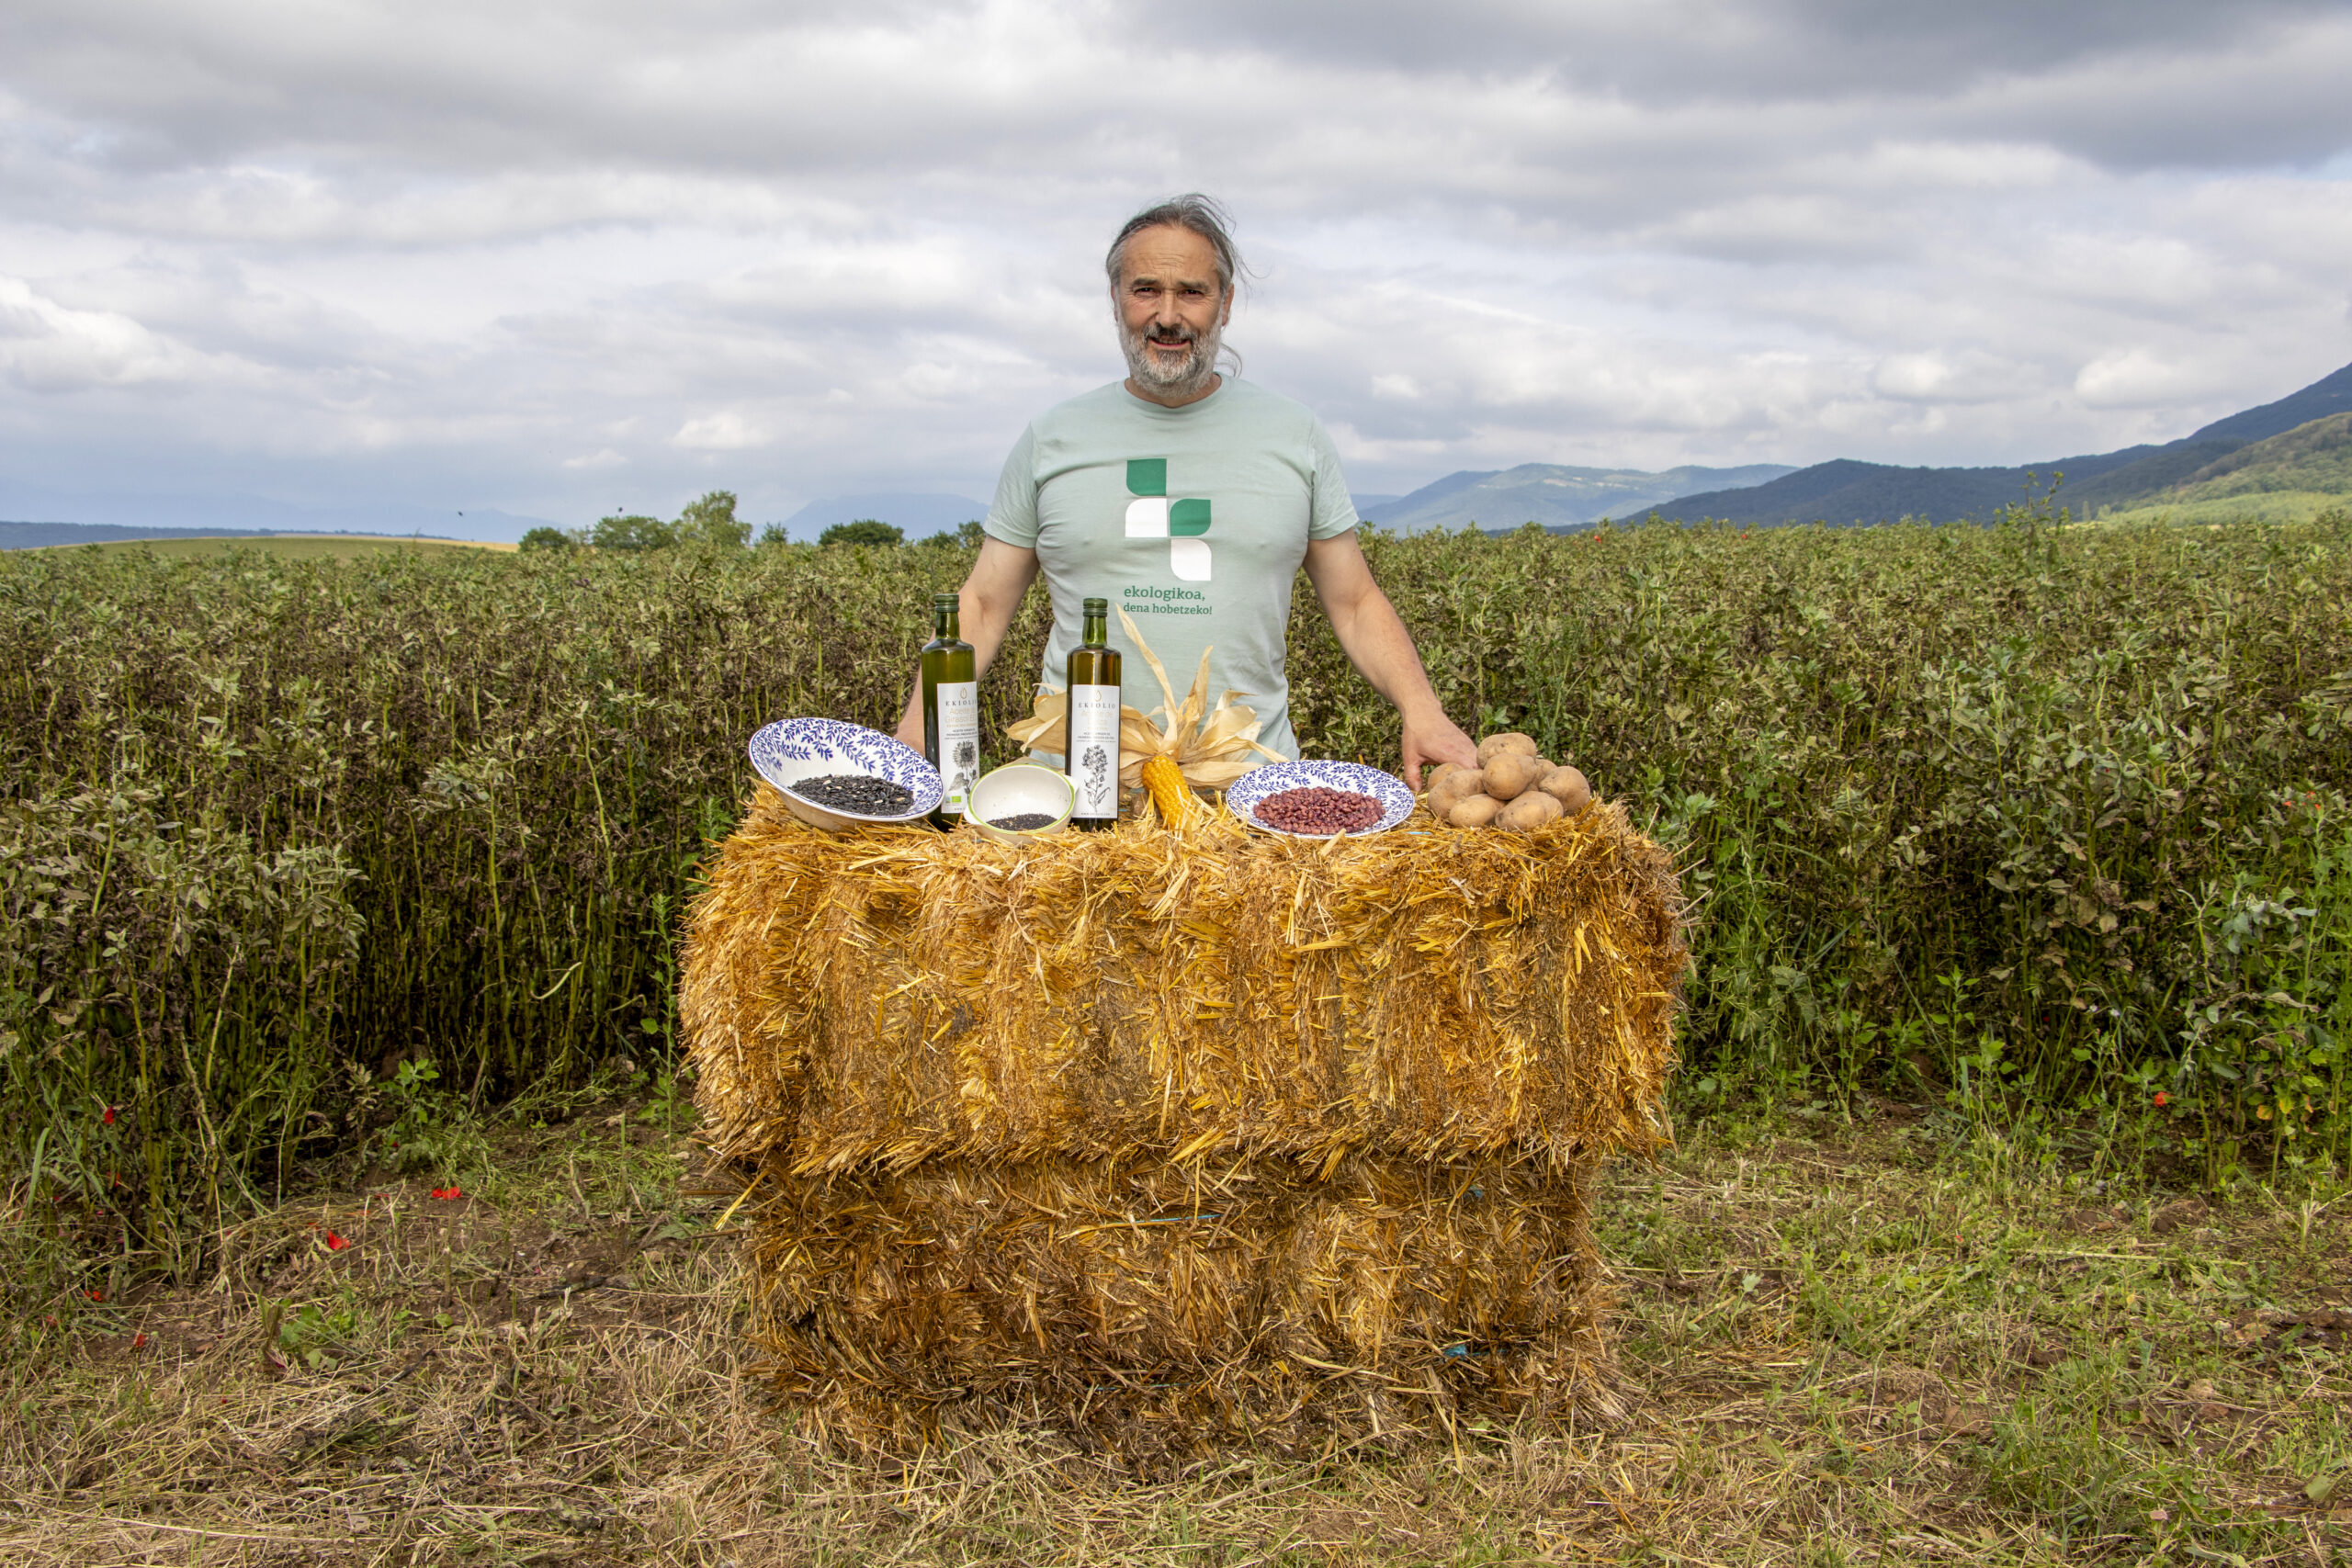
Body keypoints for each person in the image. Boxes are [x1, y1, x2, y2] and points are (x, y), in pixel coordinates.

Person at [894, 194, 1477, 787]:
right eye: (1146, 289)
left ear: (1225, 305)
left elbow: (1354, 603)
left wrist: (1422, 708)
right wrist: (915, 736)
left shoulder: (1294, 436)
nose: (1168, 315)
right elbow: (985, 605)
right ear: (1117, 299)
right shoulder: (1053, 438)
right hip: (1076, 795)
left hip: (1251, 794)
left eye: (1192, 292)